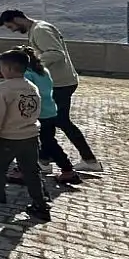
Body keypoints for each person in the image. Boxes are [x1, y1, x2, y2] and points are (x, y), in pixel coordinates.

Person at [0, 9, 102, 173]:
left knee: (55, 122)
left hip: (60, 83)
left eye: (11, 26)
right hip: (59, 82)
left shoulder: (40, 30)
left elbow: (56, 54)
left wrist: (30, 66)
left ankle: (84, 160)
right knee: (52, 123)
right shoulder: (37, 29)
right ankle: (46, 160)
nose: (13, 30)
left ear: (18, 19)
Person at [0, 50, 51, 222]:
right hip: (30, 136)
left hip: (8, 137)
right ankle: (40, 205)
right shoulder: (31, 86)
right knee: (31, 172)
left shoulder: (3, 88)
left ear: (9, 68)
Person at [22, 47, 82, 186]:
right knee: (49, 142)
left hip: (38, 113)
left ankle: (27, 170)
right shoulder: (43, 71)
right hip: (50, 111)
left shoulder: (27, 75)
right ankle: (66, 169)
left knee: (30, 142)